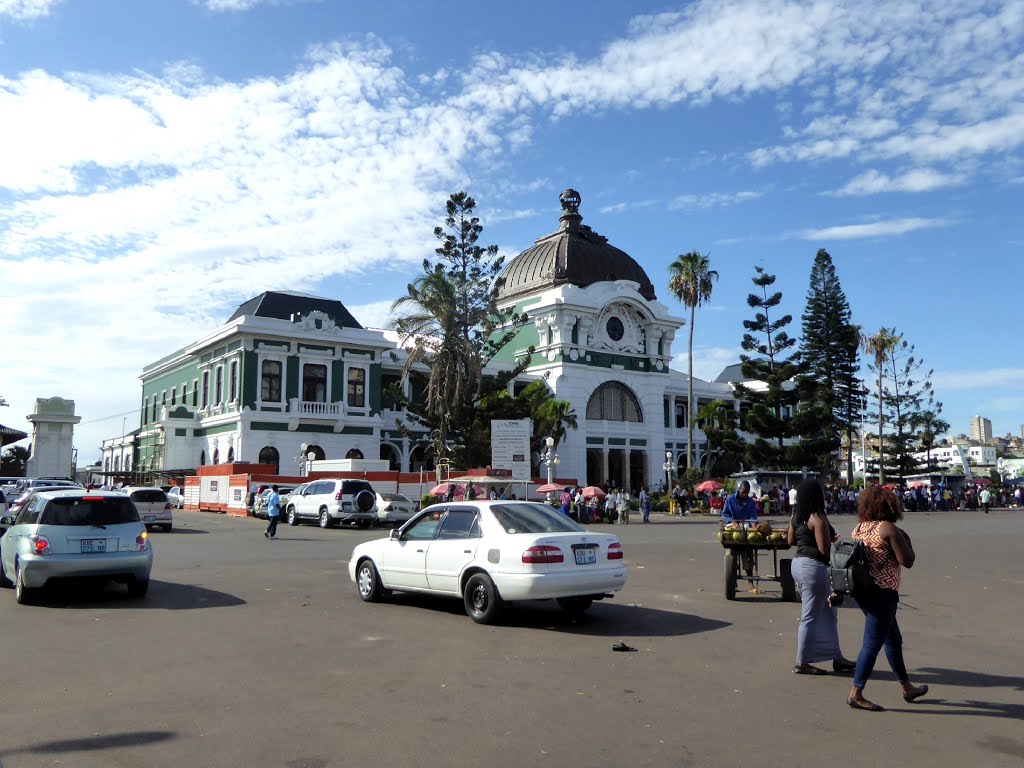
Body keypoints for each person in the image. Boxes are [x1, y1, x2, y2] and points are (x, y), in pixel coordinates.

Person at [846, 485, 929, 711]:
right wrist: (904, 538)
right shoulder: (888, 529)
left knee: (892, 639)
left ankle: (906, 687)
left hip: (864, 591)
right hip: (884, 593)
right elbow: (907, 561)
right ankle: (856, 692)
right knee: (872, 643)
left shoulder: (859, 528)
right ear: (890, 507)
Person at [786, 478, 856, 675]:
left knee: (829, 612)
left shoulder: (796, 516)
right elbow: (824, 549)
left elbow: (790, 540)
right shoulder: (817, 518)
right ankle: (802, 662)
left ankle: (836, 656)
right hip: (813, 568)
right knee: (810, 615)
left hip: (798, 564)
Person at [722, 481, 759, 590]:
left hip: (745, 528)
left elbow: (753, 517)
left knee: (748, 554)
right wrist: (732, 521)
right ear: (739, 489)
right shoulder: (730, 499)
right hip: (732, 528)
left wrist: (754, 524)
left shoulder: (750, 502)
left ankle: (750, 582)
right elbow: (724, 514)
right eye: (743, 492)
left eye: (747, 493)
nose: (745, 495)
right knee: (730, 556)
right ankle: (732, 581)